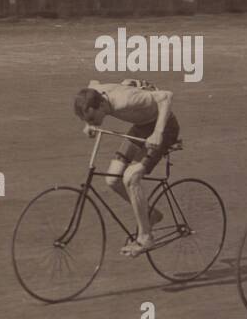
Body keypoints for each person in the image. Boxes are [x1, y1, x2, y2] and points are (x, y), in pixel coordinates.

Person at [73, 79, 178, 256]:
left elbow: (166, 96)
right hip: (140, 128)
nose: (92, 122)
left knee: (131, 177)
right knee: (113, 179)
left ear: (102, 105)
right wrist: (88, 123)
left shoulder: (126, 101)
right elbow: (92, 83)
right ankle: (151, 215)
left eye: (92, 117)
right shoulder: (96, 94)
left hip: (164, 128)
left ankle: (145, 237)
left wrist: (158, 133)